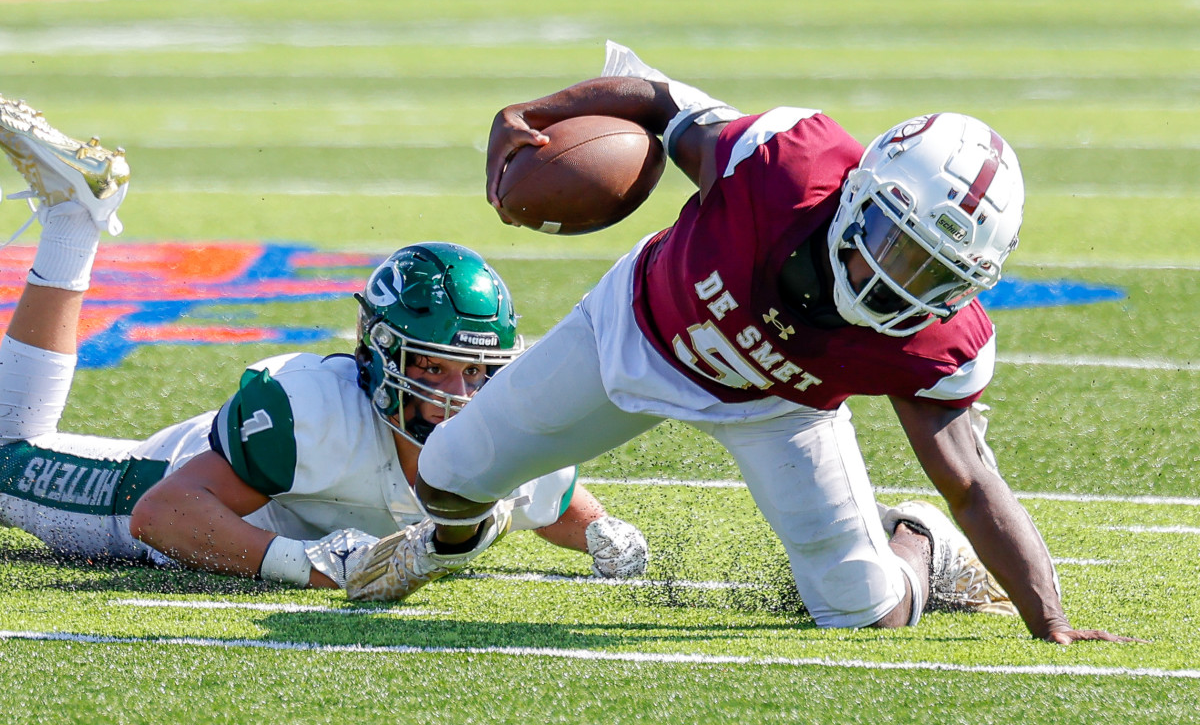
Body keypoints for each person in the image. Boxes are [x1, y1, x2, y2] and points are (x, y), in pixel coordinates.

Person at [343, 42, 1137, 645]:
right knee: (446, 475)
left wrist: (1048, 620)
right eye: (895, 247)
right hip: (636, 329)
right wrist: (535, 113)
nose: (901, 284)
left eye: (933, 273)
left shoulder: (934, 338)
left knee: (864, 613)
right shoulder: (782, 165)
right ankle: (450, 543)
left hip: (780, 408)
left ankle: (915, 541)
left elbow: (972, 482)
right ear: (858, 193)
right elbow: (658, 99)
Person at [0, 93, 649, 589]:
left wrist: (600, 532)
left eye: (475, 371)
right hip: (146, 484)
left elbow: (551, 495)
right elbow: (160, 515)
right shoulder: (313, 412)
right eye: (431, 367)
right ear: (381, 359)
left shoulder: (509, 424)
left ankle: (71, 214)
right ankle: (73, 217)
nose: (460, 395)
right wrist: (308, 567)